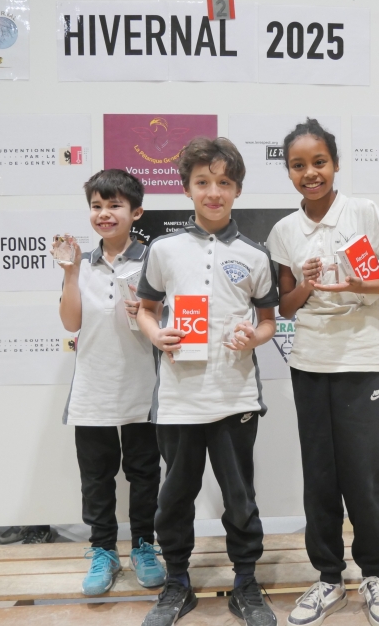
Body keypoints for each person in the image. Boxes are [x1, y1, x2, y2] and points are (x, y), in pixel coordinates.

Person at [266, 119, 379, 626]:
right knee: (320, 475)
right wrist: (307, 285)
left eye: (319, 162)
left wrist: (363, 285)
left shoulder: (364, 212)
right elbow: (285, 307)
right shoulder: (284, 231)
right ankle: (328, 578)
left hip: (364, 359)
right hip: (310, 362)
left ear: (335, 164)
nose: (310, 173)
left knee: (363, 473)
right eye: (299, 165)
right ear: (289, 172)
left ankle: (374, 573)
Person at [136, 137, 278, 626]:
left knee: (240, 497)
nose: (213, 192)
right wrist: (157, 334)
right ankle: (177, 583)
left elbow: (268, 322)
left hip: (235, 398)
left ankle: (246, 583)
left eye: (224, 182)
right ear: (186, 188)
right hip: (178, 400)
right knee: (174, 497)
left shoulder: (255, 255)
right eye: (202, 182)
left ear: (237, 189)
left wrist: (253, 337)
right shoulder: (163, 249)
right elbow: (147, 310)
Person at [55, 169, 165, 595]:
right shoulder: (80, 263)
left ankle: (143, 546)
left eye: (115, 205)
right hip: (92, 388)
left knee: (144, 473)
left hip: (143, 388)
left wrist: (148, 312)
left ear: (136, 212)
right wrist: (70, 273)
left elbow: (169, 319)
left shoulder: (154, 259)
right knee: (96, 478)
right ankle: (103, 550)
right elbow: (71, 323)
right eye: (97, 206)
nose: (104, 213)